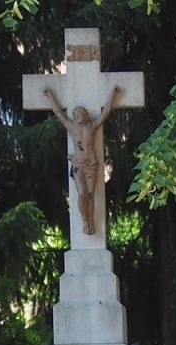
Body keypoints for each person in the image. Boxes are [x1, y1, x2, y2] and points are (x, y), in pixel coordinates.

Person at [43, 84, 125, 236]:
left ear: (86, 115)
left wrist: (113, 94)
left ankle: (91, 221)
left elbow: (106, 112)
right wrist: (50, 96)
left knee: (90, 194)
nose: (79, 114)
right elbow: (58, 113)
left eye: (81, 112)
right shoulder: (72, 127)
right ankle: (85, 221)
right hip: (78, 164)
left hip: (91, 165)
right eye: (77, 113)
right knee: (82, 193)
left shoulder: (92, 126)